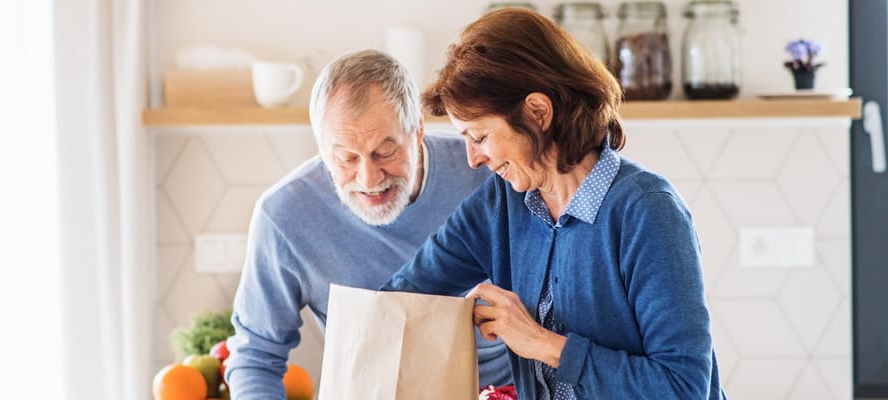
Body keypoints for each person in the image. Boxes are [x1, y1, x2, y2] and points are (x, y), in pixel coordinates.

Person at [382, 8, 728, 400]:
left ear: (538, 112)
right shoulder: (501, 204)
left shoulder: (647, 211)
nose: (472, 159)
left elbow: (683, 389)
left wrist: (543, 344)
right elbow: (401, 296)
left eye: (479, 136)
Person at [224, 49, 513, 398]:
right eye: (345, 158)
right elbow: (256, 357)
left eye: (385, 152)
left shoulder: (487, 175)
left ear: (417, 129)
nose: (368, 177)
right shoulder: (283, 215)